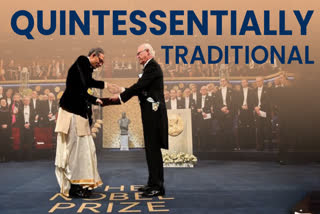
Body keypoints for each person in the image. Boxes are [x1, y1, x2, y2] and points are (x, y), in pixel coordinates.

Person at [54, 47, 119, 198]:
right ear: (93, 56)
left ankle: (82, 183)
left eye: (103, 62)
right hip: (72, 115)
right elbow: (85, 85)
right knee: (76, 152)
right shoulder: (82, 61)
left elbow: (83, 89)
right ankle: (75, 186)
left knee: (86, 151)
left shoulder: (85, 70)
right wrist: (105, 86)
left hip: (79, 116)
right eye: (100, 60)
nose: (101, 64)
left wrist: (96, 99)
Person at [109, 43, 168, 197]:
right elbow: (141, 88)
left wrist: (121, 95)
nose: (137, 57)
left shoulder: (152, 67)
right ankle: (152, 183)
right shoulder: (149, 68)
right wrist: (123, 90)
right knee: (150, 149)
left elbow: (139, 86)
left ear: (147, 52)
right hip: (150, 115)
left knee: (153, 149)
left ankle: (157, 186)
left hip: (154, 115)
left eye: (139, 53)